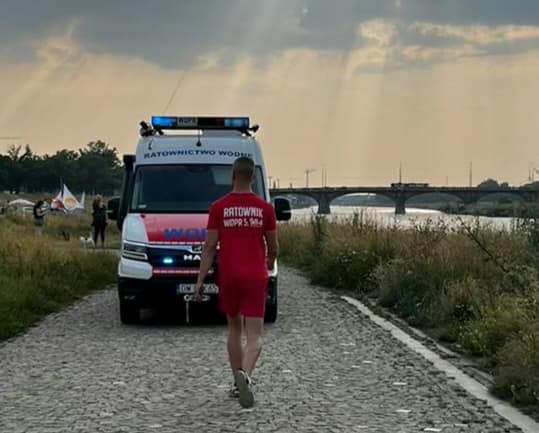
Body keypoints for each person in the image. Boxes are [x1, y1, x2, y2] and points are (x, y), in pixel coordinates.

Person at [194, 157, 278, 408]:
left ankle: (235, 381)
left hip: (229, 275)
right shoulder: (265, 209)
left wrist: (200, 280)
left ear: (233, 175)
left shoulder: (218, 207)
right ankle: (246, 376)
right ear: (252, 177)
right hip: (255, 276)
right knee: (255, 335)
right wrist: (269, 264)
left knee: (234, 329)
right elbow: (273, 247)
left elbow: (209, 247)